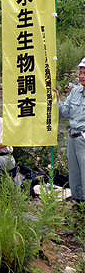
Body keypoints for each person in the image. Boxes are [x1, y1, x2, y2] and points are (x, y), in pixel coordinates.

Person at [58, 58, 85, 203]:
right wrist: (55, 100)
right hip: (72, 137)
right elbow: (64, 112)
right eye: (80, 72)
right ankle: (78, 204)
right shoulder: (75, 91)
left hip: (83, 138)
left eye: (84, 72)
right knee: (74, 175)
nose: (81, 76)